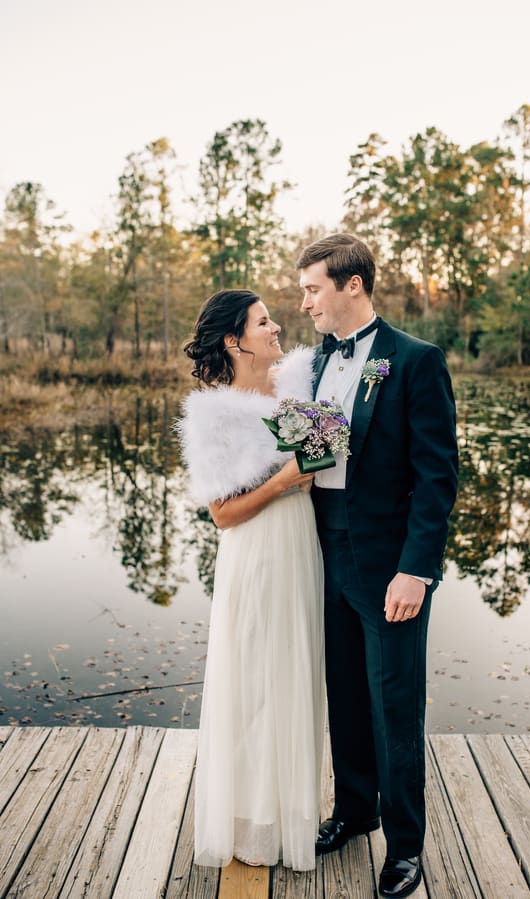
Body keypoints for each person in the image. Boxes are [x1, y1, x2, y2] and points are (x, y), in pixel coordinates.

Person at [297, 234, 458, 898]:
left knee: (395, 706)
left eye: (313, 288)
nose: (305, 301)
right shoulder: (312, 364)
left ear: (352, 285)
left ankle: (405, 846)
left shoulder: (415, 360)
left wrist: (415, 570)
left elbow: (437, 477)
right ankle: (355, 811)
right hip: (322, 549)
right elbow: (315, 456)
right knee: (346, 693)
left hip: (388, 561)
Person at [178, 289, 325, 871]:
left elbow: (322, 462)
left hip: (301, 547)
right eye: (264, 322)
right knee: (257, 680)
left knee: (296, 671)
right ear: (235, 341)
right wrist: (285, 480)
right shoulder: (215, 415)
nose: (277, 327)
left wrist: (311, 467)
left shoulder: (299, 391)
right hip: (257, 554)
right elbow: (222, 514)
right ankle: (252, 820)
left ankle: (295, 811)